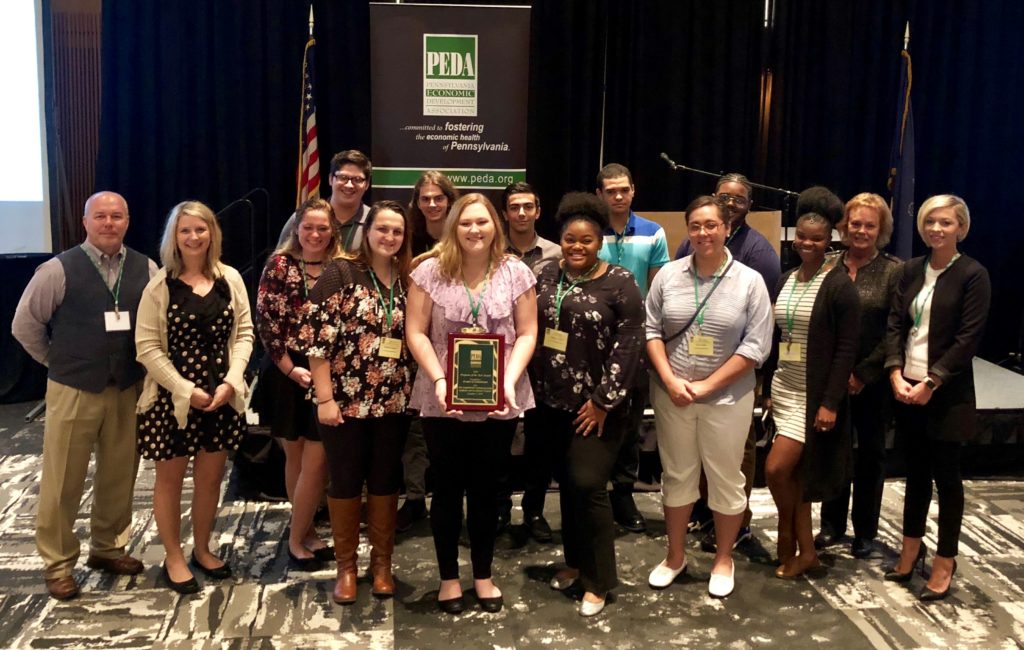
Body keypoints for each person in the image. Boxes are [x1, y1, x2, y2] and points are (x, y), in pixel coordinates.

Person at [12, 191, 156, 600]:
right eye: (100, 216)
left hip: (126, 388)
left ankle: (108, 548)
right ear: (85, 221)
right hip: (73, 389)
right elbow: (25, 326)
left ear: (127, 221)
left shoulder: (147, 268)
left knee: (120, 472)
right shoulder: (57, 269)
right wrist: (59, 364)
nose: (109, 223)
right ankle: (57, 564)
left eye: (116, 216)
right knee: (63, 479)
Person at [405, 193, 537, 614]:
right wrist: (441, 379)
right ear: (453, 227)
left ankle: (483, 575)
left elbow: (528, 333)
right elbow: (416, 332)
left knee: (487, 491)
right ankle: (448, 579)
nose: (474, 230)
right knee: (445, 490)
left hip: (499, 398)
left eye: (482, 222)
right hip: (442, 397)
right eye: (465, 223)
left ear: (495, 226)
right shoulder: (428, 271)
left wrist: (508, 383)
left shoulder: (516, 272)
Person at [645, 196, 773, 598]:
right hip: (673, 397)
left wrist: (705, 386)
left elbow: (756, 348)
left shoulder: (750, 281)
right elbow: (650, 331)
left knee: (724, 478)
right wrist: (669, 380)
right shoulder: (667, 276)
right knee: (677, 475)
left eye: (711, 225)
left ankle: (722, 559)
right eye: (696, 225)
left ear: (726, 228)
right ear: (688, 229)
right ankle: (674, 556)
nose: (703, 233)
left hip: (726, 401)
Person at [135, 200, 254, 594]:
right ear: (174, 237)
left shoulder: (230, 278)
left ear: (211, 234)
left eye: (200, 229)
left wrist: (231, 381)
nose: (193, 237)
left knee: (210, 479)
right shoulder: (159, 285)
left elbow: (245, 335)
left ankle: (203, 548)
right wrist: (186, 390)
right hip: (173, 402)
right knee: (170, 481)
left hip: (221, 398)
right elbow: (147, 348)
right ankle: (173, 556)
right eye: (185, 230)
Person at [534, 192, 644, 616]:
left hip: (600, 407)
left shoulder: (620, 282)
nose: (577, 247)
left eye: (586, 240)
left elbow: (630, 345)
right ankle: (576, 563)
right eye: (569, 239)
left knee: (588, 485)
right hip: (551, 402)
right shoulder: (546, 274)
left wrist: (602, 402)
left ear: (600, 242)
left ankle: (598, 581)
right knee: (567, 485)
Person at [301, 200, 415, 604]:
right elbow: (316, 341)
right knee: (346, 481)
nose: (390, 237)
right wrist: (325, 398)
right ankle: (346, 568)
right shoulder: (341, 271)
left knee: (385, 480)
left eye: (397, 231)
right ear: (367, 231)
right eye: (383, 229)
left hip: (394, 400)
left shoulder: (407, 278)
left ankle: (382, 565)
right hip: (344, 402)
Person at [883, 195, 990, 601]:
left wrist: (932, 382)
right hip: (906, 386)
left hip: (946, 393)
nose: (936, 229)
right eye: (930, 222)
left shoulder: (973, 275)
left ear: (960, 228)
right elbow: (895, 324)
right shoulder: (911, 270)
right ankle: (911, 549)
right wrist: (895, 372)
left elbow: (968, 339)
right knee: (914, 475)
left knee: (947, 479)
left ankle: (945, 559)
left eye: (946, 223)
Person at [674, 173, 781, 550]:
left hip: (736, 374)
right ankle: (706, 511)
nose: (731, 203)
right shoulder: (691, 241)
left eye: (738, 199)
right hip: (693, 371)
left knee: (739, 449)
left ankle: (739, 522)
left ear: (749, 204)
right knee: (702, 446)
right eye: (724, 197)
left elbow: (762, 324)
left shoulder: (759, 253)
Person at [764, 207, 860, 580]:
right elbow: (778, 337)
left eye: (816, 238)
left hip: (813, 394)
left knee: (777, 468)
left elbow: (846, 349)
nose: (807, 243)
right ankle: (807, 552)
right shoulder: (787, 279)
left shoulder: (838, 285)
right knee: (795, 477)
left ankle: (787, 532)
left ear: (829, 242)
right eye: (802, 236)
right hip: (784, 386)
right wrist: (768, 385)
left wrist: (830, 402)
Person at [256, 197, 343, 571]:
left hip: (326, 374)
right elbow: (267, 323)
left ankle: (299, 531)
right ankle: (303, 533)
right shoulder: (279, 265)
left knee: (318, 458)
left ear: (333, 232)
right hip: (286, 371)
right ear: (297, 229)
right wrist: (291, 369)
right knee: (294, 454)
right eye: (308, 227)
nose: (315, 234)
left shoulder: (340, 267)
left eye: (323, 228)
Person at [815, 193, 902, 558]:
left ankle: (865, 530)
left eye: (869, 225)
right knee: (832, 452)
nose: (861, 230)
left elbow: (896, 329)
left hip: (873, 381)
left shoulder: (895, 270)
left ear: (880, 229)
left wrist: (863, 374)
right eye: (855, 223)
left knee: (870, 455)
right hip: (831, 380)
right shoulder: (827, 266)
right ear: (844, 226)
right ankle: (832, 525)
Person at [595, 162, 670, 533]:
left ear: (633, 191)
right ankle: (593, 492)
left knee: (630, 421)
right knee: (595, 416)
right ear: (600, 195)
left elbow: (658, 293)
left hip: (636, 344)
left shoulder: (654, 233)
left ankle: (622, 493)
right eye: (611, 191)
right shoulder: (590, 233)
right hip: (593, 344)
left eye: (624, 190)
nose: (618, 196)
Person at [496, 181, 561, 540]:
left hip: (545, 360)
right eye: (514, 207)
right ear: (504, 213)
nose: (521, 213)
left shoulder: (557, 253)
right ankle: (500, 508)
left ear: (537, 211)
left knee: (541, 438)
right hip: (500, 356)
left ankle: (534, 510)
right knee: (499, 438)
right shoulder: (489, 250)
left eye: (528, 206)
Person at [397, 170, 461, 534]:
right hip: (415, 341)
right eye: (426, 199)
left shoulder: (464, 233)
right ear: (417, 203)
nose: (433, 204)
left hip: (458, 343)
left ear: (450, 201)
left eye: (439, 198)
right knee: (416, 428)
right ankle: (416, 498)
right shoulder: (408, 237)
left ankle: (453, 499)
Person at [278, 150, 373, 251]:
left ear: (366, 184)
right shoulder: (303, 217)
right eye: (343, 177)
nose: (349, 185)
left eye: (357, 179)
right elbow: (279, 261)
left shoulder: (374, 221)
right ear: (331, 179)